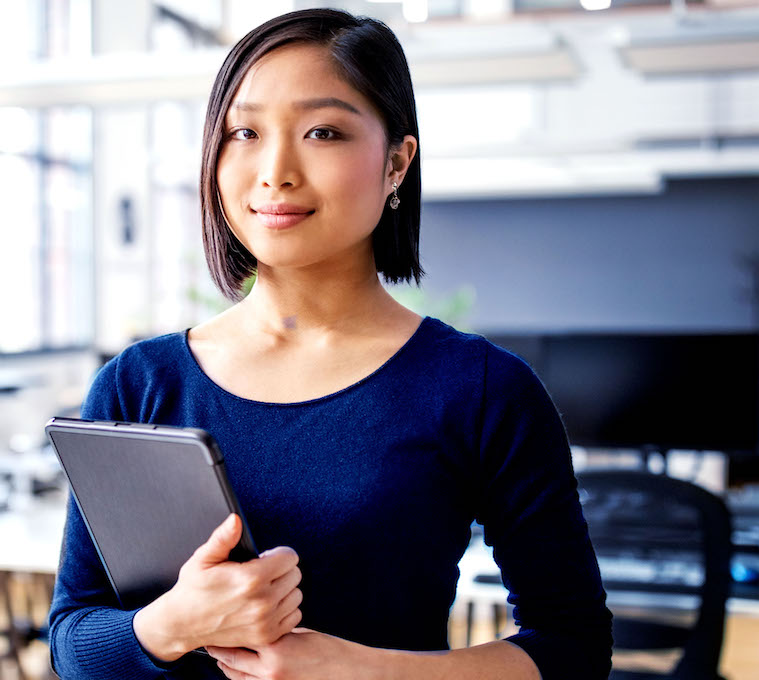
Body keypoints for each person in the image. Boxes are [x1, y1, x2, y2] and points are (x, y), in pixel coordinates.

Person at [49, 8, 612, 679]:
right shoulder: (139, 383)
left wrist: (361, 671)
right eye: (245, 132)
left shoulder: (483, 390)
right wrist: (173, 626)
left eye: (323, 131)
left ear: (398, 162)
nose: (276, 170)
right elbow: (73, 639)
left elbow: (573, 647)